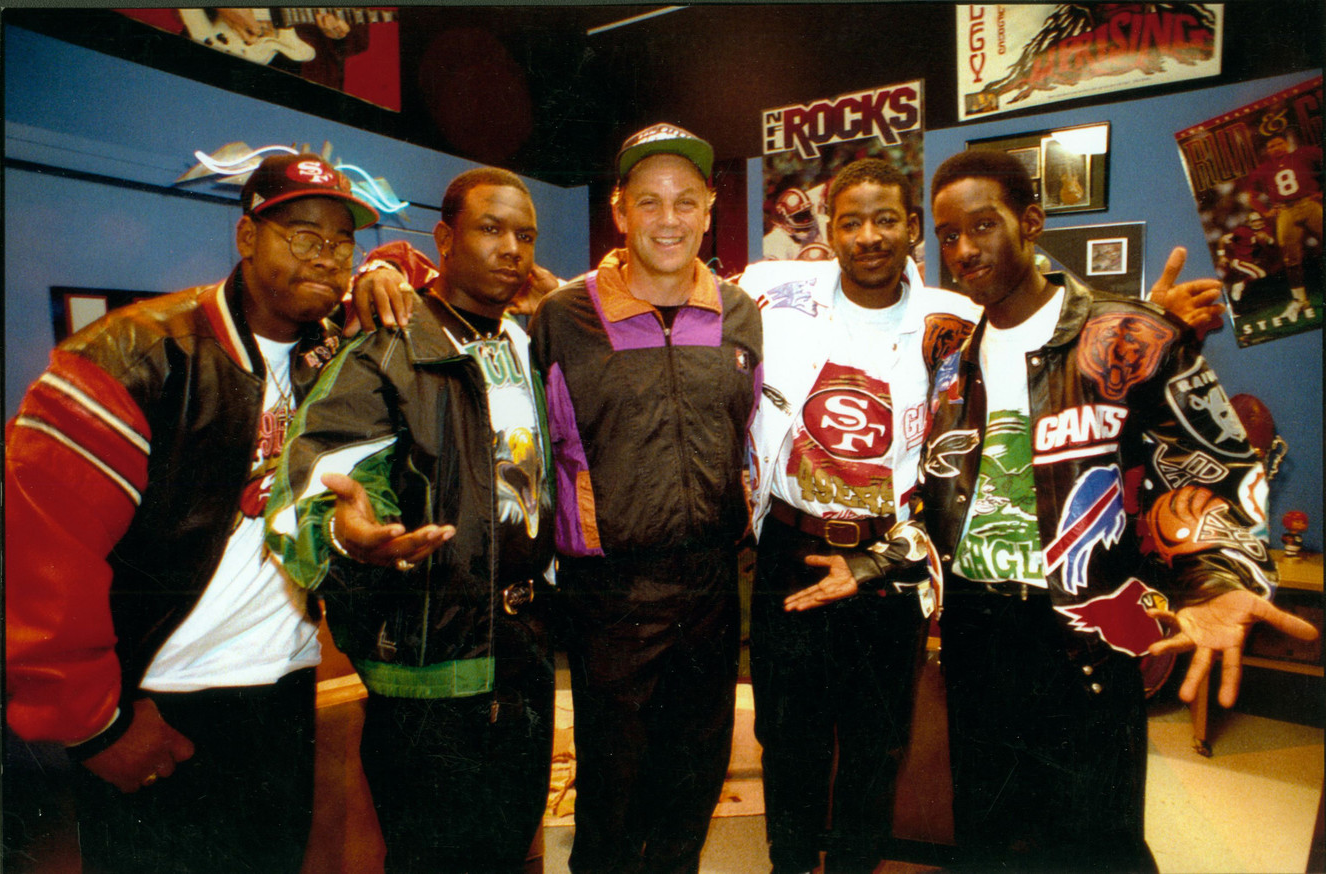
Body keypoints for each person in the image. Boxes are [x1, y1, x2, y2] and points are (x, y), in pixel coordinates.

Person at [915, 148, 1317, 871]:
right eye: (948, 234)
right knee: (987, 833)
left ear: (1032, 221)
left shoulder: (1127, 338)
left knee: (1097, 844)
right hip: (978, 630)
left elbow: (1213, 469)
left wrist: (1222, 580)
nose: (965, 249)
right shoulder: (951, 355)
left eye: (983, 225)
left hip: (1088, 634)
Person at [4, 152, 378, 872]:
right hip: (164, 703)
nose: (325, 256)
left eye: (340, 242)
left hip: (282, 694)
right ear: (246, 237)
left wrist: (388, 270)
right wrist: (96, 730)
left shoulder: (331, 355)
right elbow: (40, 560)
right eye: (301, 233)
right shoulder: (132, 358)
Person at [264, 167, 557, 873]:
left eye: (525, 234)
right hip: (432, 680)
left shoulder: (525, 347)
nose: (511, 248)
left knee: (511, 853)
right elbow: (313, 480)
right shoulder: (386, 351)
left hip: (524, 665)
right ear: (445, 239)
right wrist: (352, 535)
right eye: (491, 229)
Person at [528, 123, 762, 874]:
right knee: (614, 787)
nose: (669, 218)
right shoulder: (562, 316)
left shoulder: (739, 313)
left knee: (693, 781)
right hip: (611, 592)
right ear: (620, 211)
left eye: (686, 202)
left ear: (709, 209)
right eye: (650, 201)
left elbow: (748, 427)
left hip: (712, 585)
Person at [738, 159, 979, 874]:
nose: (868, 236)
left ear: (913, 229)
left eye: (886, 220)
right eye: (851, 221)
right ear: (830, 230)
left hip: (889, 562)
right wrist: (390, 273)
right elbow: (652, 281)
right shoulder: (770, 293)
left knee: (877, 743)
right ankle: (788, 864)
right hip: (790, 548)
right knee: (786, 739)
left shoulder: (955, 325)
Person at [1244, 135, 1323, 319]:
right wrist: (1266, 212)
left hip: (1309, 204)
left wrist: (1320, 192)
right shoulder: (1263, 170)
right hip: (1285, 211)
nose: (1276, 148)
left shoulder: (1303, 154)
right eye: (1272, 146)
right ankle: (1300, 300)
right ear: (1268, 151)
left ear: (1287, 144)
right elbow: (1251, 197)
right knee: (1290, 258)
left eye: (1279, 143)